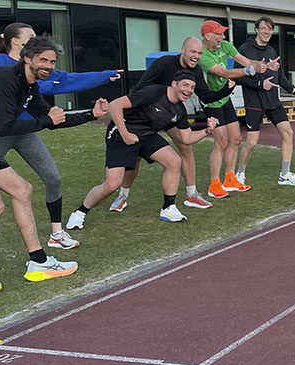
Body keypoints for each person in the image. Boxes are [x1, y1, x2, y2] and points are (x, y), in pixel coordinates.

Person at [0, 36, 108, 295]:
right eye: (43, 60)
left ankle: (38, 262)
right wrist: (47, 121)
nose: (48, 66)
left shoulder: (30, 88)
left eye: (52, 62)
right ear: (27, 58)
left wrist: (91, 115)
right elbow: (5, 126)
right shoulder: (4, 78)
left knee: (22, 190)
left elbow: (52, 120)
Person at [66, 72, 219, 228]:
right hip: (120, 134)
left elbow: (186, 138)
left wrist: (207, 130)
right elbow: (115, 105)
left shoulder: (179, 110)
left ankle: (168, 208)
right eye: (185, 85)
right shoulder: (154, 92)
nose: (189, 90)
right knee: (112, 185)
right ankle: (79, 213)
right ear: (174, 84)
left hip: (146, 136)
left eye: (192, 87)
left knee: (174, 161)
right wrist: (125, 134)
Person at [108, 37, 235, 212]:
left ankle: (192, 194)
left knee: (186, 145)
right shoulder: (164, 63)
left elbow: (205, 96)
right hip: (147, 114)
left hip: (171, 114)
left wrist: (227, 89)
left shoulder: (196, 70)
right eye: (193, 51)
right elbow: (141, 88)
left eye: (199, 53)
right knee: (136, 154)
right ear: (183, 50)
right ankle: (123, 196)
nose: (196, 56)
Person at [235, 16, 295, 188]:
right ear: (256, 29)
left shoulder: (271, 50)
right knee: (252, 141)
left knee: (288, 132)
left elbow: (281, 77)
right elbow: (238, 76)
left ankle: (285, 175)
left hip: (273, 101)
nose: (267, 32)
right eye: (263, 28)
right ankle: (240, 173)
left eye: (270, 29)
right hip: (254, 101)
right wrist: (259, 84)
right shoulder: (245, 49)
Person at [198, 19, 269, 199]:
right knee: (221, 142)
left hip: (224, 97)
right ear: (207, 36)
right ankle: (214, 184)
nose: (222, 37)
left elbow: (245, 61)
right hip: (211, 101)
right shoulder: (202, 55)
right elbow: (225, 73)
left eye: (223, 33)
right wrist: (250, 71)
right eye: (218, 33)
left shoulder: (225, 45)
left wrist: (262, 65)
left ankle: (230, 179)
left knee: (236, 138)